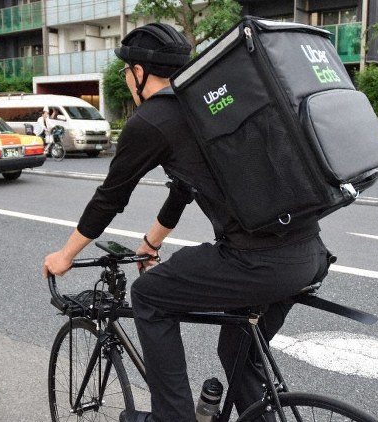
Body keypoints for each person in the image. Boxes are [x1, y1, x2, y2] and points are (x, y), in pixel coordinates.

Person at [43, 23, 331, 422]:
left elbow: (110, 198)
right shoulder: (205, 106)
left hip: (258, 261)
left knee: (149, 296)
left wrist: (65, 255)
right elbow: (184, 187)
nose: (127, 77)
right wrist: (151, 243)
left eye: (127, 70)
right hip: (309, 254)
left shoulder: (153, 119)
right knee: (236, 352)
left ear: (140, 72)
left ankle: (172, 418)